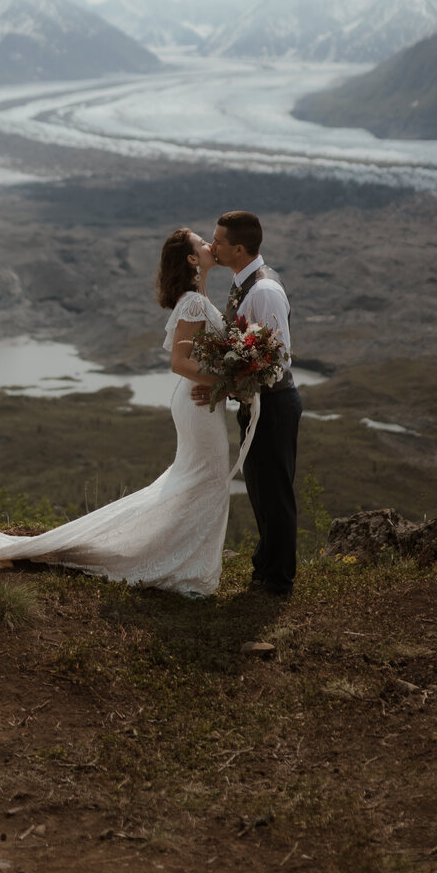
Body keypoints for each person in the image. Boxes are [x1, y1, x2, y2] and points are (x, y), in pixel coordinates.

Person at [0, 228, 255, 599]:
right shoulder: (193, 302)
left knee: (196, 480)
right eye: (204, 242)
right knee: (207, 479)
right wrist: (226, 382)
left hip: (200, 401)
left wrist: (227, 376)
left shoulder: (198, 299)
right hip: (198, 402)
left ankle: (182, 563)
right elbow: (179, 362)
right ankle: (184, 569)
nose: (211, 245)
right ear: (191, 258)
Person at [195, 210, 300, 597]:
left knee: (274, 492)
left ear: (238, 248)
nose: (212, 245)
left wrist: (229, 385)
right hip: (258, 403)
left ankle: (279, 580)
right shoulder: (245, 283)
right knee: (259, 488)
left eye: (218, 241)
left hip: (274, 404)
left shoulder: (264, 291)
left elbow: (279, 358)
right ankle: (265, 567)